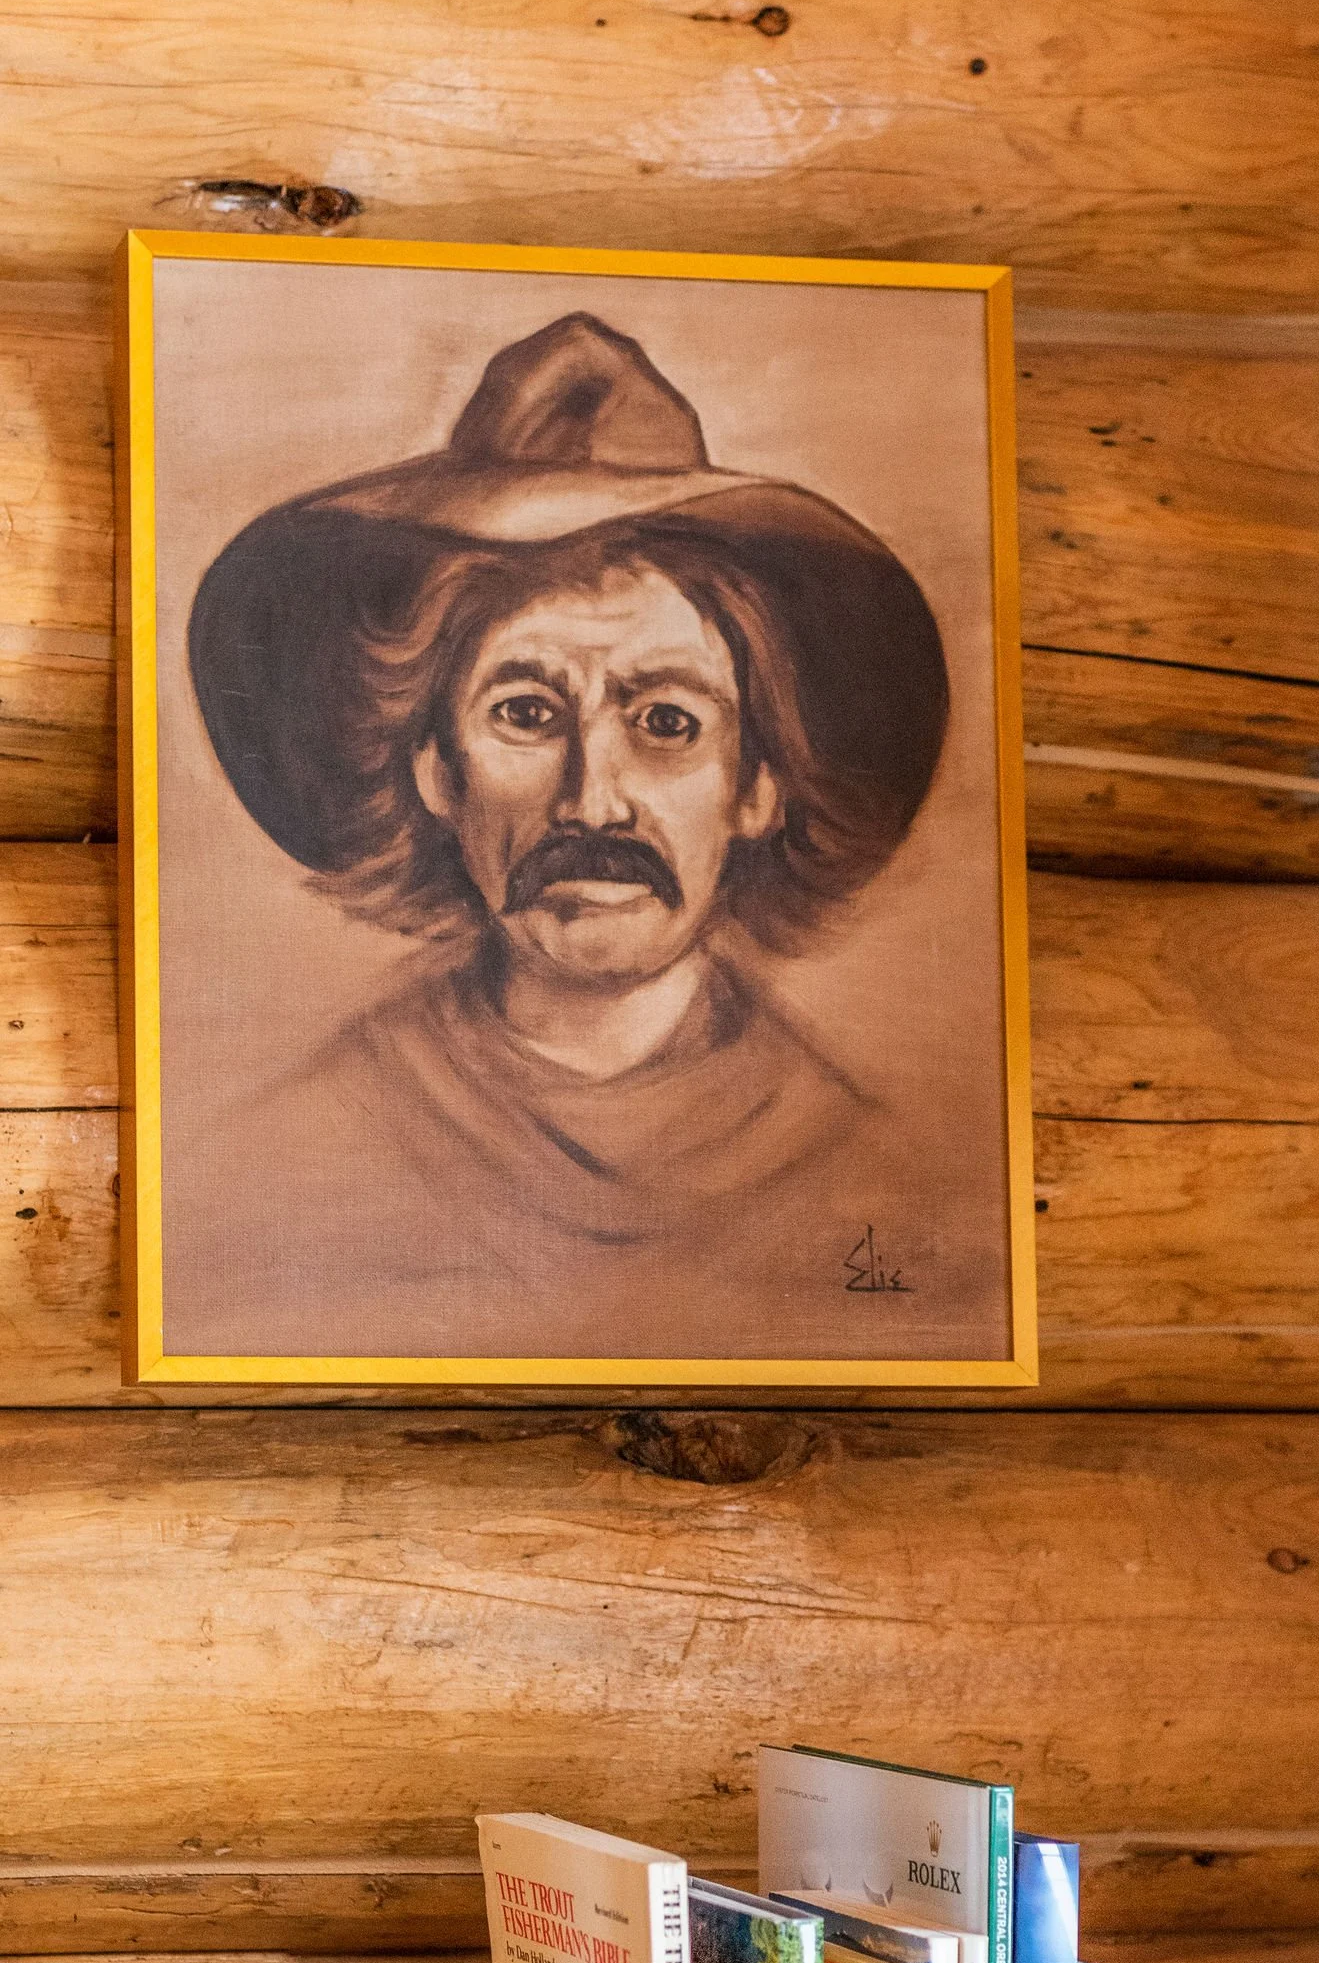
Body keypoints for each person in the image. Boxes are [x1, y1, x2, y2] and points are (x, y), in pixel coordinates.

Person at [174, 310, 974, 1359]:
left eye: (666, 725)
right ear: (436, 774)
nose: (593, 801)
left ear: (758, 788)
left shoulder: (891, 1181)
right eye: (525, 714)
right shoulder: (280, 1166)